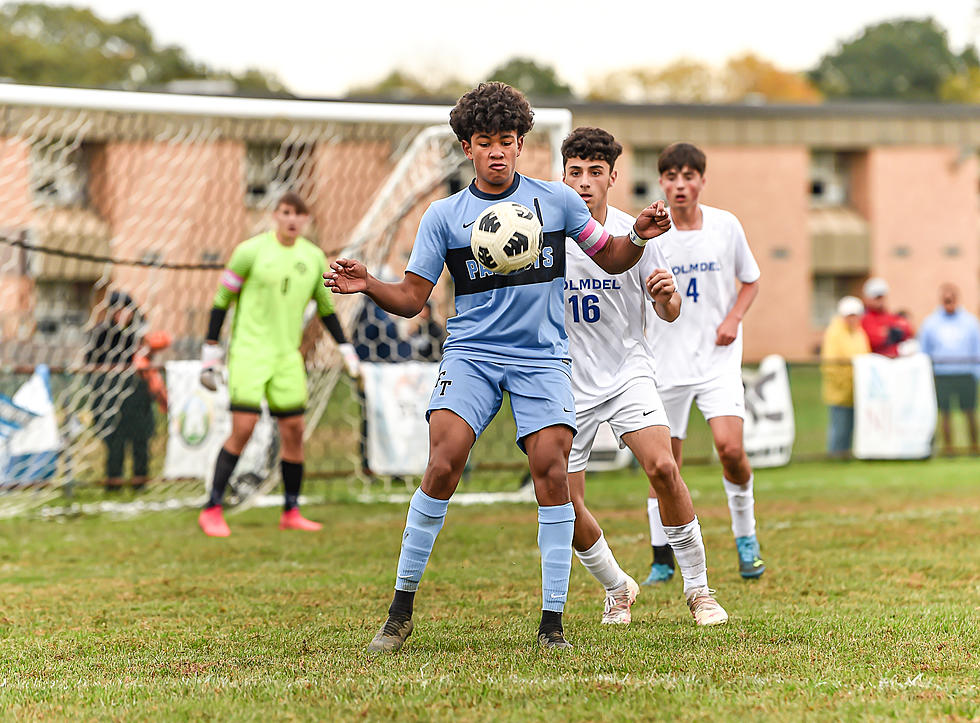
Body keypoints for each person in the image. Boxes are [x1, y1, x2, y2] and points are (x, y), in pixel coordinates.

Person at [324, 82, 671, 651]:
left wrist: (635, 234)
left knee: (553, 472)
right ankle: (399, 612)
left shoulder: (557, 202)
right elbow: (413, 297)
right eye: (484, 142)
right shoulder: (443, 217)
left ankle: (552, 624)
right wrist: (369, 285)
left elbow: (610, 258)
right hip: (472, 355)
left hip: (541, 358)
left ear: (519, 144)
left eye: (506, 141)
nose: (496, 152)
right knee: (443, 461)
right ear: (467, 147)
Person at [560, 127, 727, 626]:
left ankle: (699, 590)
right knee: (561, 499)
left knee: (663, 468)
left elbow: (670, 311)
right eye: (575, 172)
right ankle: (617, 587)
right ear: (562, 176)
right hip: (566, 380)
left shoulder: (638, 231)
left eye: (595, 173)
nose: (585, 182)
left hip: (628, 372)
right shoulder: (541, 236)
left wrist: (665, 295)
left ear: (613, 177)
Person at [197, 191, 360, 537]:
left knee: (294, 433)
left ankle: (291, 510)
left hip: (287, 357)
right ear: (276, 215)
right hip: (249, 353)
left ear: (306, 220)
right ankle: (212, 508)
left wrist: (346, 348)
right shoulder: (250, 252)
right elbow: (221, 299)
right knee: (243, 429)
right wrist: (210, 351)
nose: (291, 220)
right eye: (286, 212)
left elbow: (325, 309)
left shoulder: (314, 258)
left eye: (298, 215)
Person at [642, 142, 766, 583]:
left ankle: (746, 537)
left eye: (688, 176)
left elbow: (750, 281)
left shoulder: (725, 226)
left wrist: (733, 318)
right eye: (671, 177)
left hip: (717, 360)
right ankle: (662, 556)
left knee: (731, 450)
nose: (680, 184)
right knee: (663, 466)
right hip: (665, 363)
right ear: (661, 182)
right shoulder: (651, 233)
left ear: (702, 180)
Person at [85, 291, 155, 492]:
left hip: (137, 395)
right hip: (112, 395)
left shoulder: (140, 333)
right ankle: (113, 483)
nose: (122, 315)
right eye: (118, 310)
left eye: (126, 310)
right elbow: (91, 364)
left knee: (140, 439)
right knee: (115, 441)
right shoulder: (102, 334)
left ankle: (140, 483)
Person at [918, 284, 980, 455]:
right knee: (944, 413)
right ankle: (948, 448)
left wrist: (976, 372)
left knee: (970, 411)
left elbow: (977, 348)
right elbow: (924, 349)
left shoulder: (970, 322)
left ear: (957, 298)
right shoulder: (931, 323)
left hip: (965, 373)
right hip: (942, 374)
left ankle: (974, 447)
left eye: (951, 297)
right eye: (945, 298)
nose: (948, 301)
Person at [820, 296, 871, 458]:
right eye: (849, 315)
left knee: (851, 427)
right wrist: (846, 380)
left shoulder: (860, 333)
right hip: (840, 392)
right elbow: (831, 363)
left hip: (857, 391)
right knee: (839, 428)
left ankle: (846, 455)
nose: (853, 319)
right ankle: (835, 457)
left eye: (855, 315)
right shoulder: (834, 334)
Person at [861, 277, 913, 358]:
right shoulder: (865, 318)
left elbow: (907, 329)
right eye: (877, 297)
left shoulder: (890, 315)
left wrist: (887, 331)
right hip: (877, 359)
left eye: (882, 296)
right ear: (867, 298)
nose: (880, 300)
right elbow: (874, 340)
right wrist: (890, 333)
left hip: (895, 357)